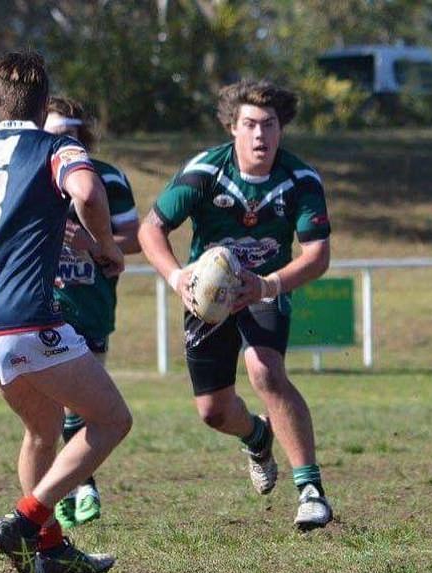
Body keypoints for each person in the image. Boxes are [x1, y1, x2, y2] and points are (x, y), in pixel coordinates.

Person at [0, 52, 132, 573]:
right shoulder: (55, 146)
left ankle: (49, 551)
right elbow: (86, 190)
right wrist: (105, 246)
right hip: (23, 315)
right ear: (45, 104)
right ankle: (25, 521)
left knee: (42, 431)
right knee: (111, 420)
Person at [138, 79, 333, 530]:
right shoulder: (205, 172)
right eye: (250, 125)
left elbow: (317, 257)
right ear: (232, 127)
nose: (260, 136)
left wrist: (266, 286)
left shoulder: (300, 180)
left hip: (264, 286)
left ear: (282, 129)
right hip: (206, 294)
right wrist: (176, 275)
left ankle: (310, 490)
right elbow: (152, 229)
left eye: (269, 125)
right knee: (213, 411)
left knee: (265, 370)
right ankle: (257, 435)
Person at [43, 96, 140, 530]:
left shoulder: (109, 179)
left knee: (78, 403)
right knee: (55, 406)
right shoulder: (30, 177)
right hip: (41, 305)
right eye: (51, 134)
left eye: (67, 133)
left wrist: (94, 242)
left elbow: (135, 239)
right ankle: (79, 486)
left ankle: (75, 484)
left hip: (92, 302)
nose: (60, 142)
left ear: (82, 134)